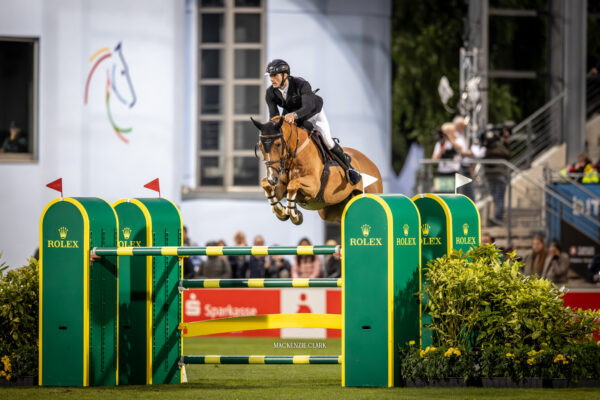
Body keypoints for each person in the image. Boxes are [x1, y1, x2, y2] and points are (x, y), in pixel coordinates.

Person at [265, 59, 361, 185]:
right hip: (293, 116)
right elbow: (274, 116)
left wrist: (294, 115)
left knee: (327, 141)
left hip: (313, 113)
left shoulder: (301, 84)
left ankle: (350, 168)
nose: (271, 79)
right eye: (270, 76)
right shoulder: (270, 92)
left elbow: (308, 107)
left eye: (274, 75)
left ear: (285, 75)